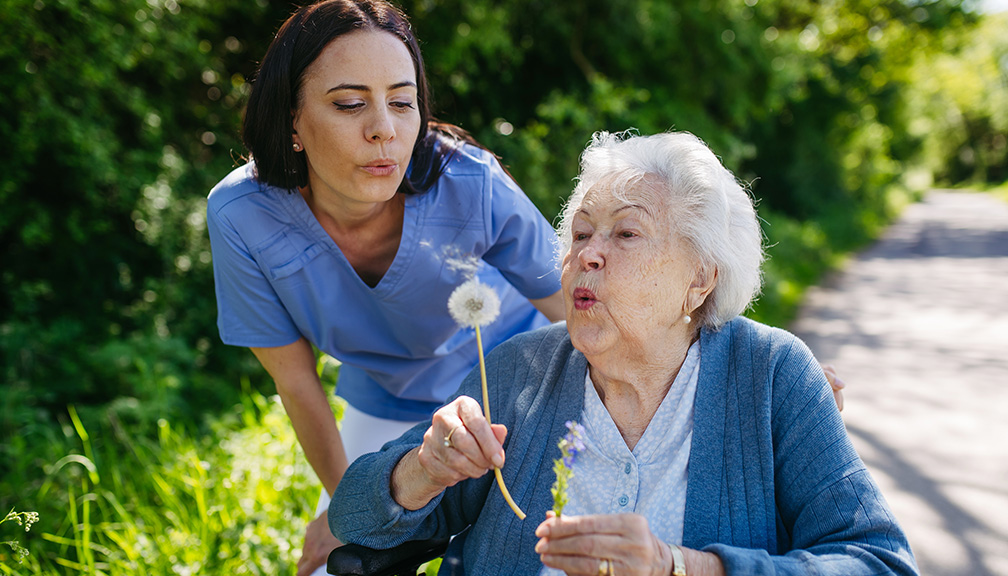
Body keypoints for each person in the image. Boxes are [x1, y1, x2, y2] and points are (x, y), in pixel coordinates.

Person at [330, 131, 916, 576]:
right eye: (580, 234)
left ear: (700, 280)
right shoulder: (517, 368)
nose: (588, 254)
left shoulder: (774, 374)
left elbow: (878, 561)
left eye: (626, 234)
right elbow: (351, 517)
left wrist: (679, 566)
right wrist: (422, 471)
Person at [205, 2, 567, 574]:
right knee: (336, 562)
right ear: (291, 120)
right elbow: (295, 380)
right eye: (349, 104)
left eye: (402, 102)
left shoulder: (470, 183)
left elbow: (580, 307)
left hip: (510, 393)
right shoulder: (240, 214)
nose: (384, 128)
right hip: (387, 402)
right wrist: (345, 508)